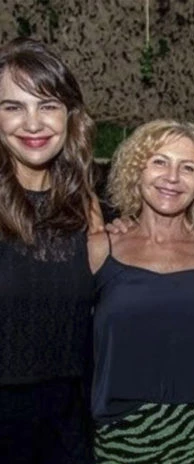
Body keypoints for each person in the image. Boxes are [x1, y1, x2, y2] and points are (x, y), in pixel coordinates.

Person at [87, 119, 194, 463]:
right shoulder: (99, 249)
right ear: (136, 170)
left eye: (188, 167)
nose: (172, 177)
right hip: (121, 436)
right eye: (159, 161)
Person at [0, 37, 101, 463]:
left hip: (69, 425)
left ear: (69, 116)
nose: (33, 123)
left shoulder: (85, 205)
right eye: (13, 107)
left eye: (48, 105)